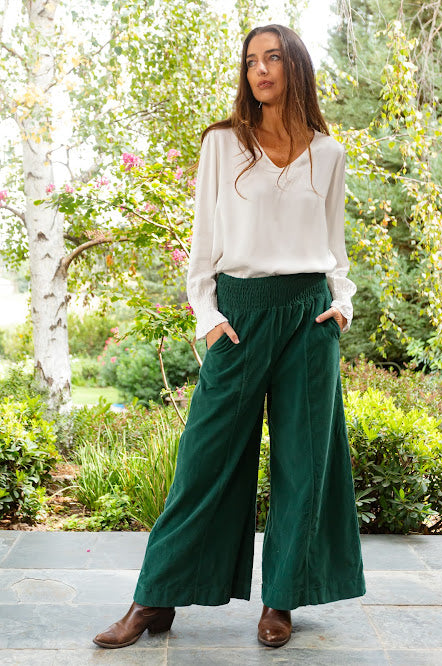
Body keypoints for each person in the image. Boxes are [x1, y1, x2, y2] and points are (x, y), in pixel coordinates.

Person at [93, 23, 366, 650]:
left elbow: (335, 243)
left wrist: (342, 306)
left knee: (305, 462)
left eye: (273, 58)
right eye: (250, 61)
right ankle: (154, 597)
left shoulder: (328, 153)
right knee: (205, 459)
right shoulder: (223, 143)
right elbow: (204, 242)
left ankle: (281, 599)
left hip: (309, 316)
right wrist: (208, 316)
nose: (260, 70)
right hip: (239, 315)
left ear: (296, 66)